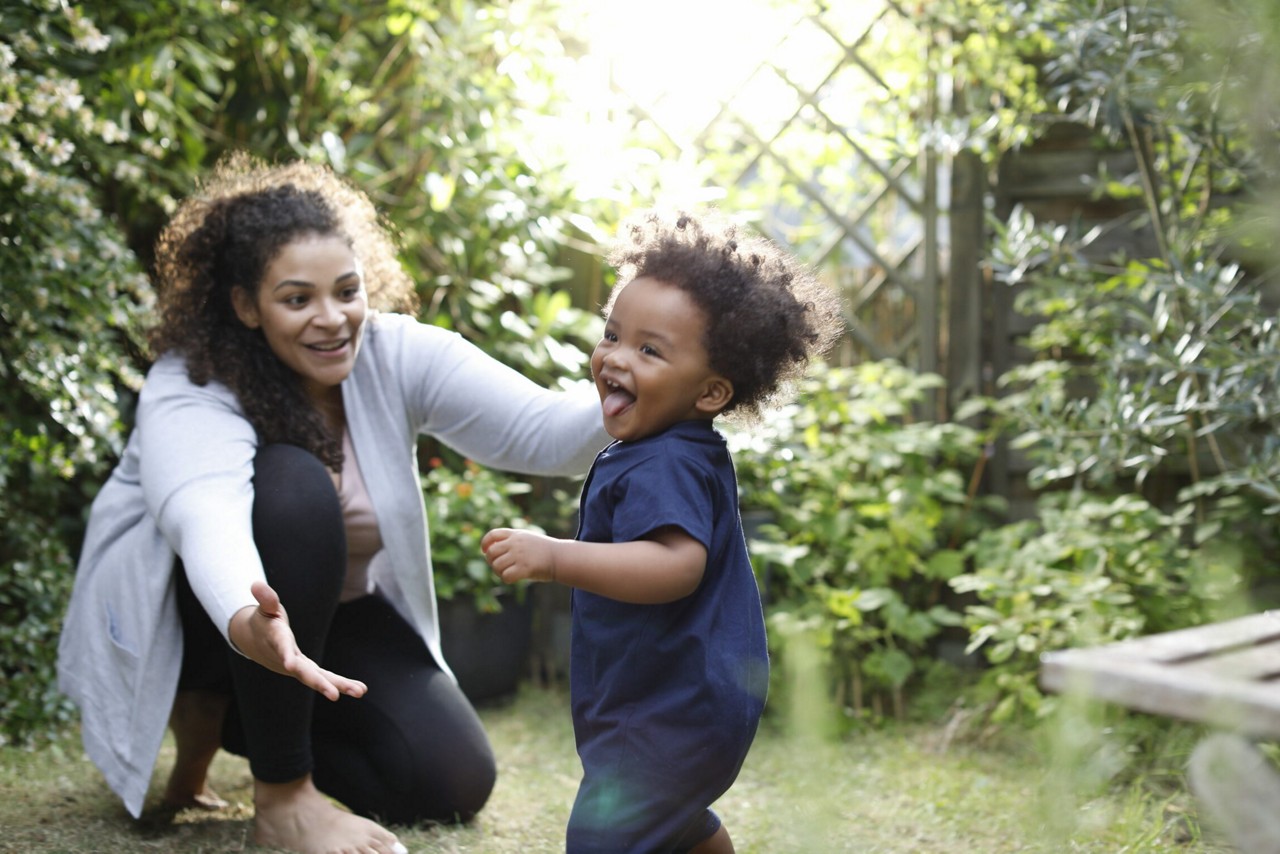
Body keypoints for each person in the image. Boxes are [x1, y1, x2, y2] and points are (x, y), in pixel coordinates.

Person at [55, 152, 611, 854]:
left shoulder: (391, 353)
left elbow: (543, 434)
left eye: (347, 291)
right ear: (245, 306)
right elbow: (203, 516)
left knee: (451, 780)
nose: (333, 319)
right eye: (298, 299)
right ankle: (282, 798)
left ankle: (233, 721)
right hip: (207, 618)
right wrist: (245, 616)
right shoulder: (191, 383)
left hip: (326, 617)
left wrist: (643, 381)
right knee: (293, 483)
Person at [480, 210, 844, 853]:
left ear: (709, 392)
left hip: (669, 710)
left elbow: (677, 566)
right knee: (668, 815)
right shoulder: (680, 445)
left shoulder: (667, 461)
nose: (615, 358)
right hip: (678, 700)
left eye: (649, 350)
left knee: (605, 835)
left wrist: (557, 557)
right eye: (613, 335)